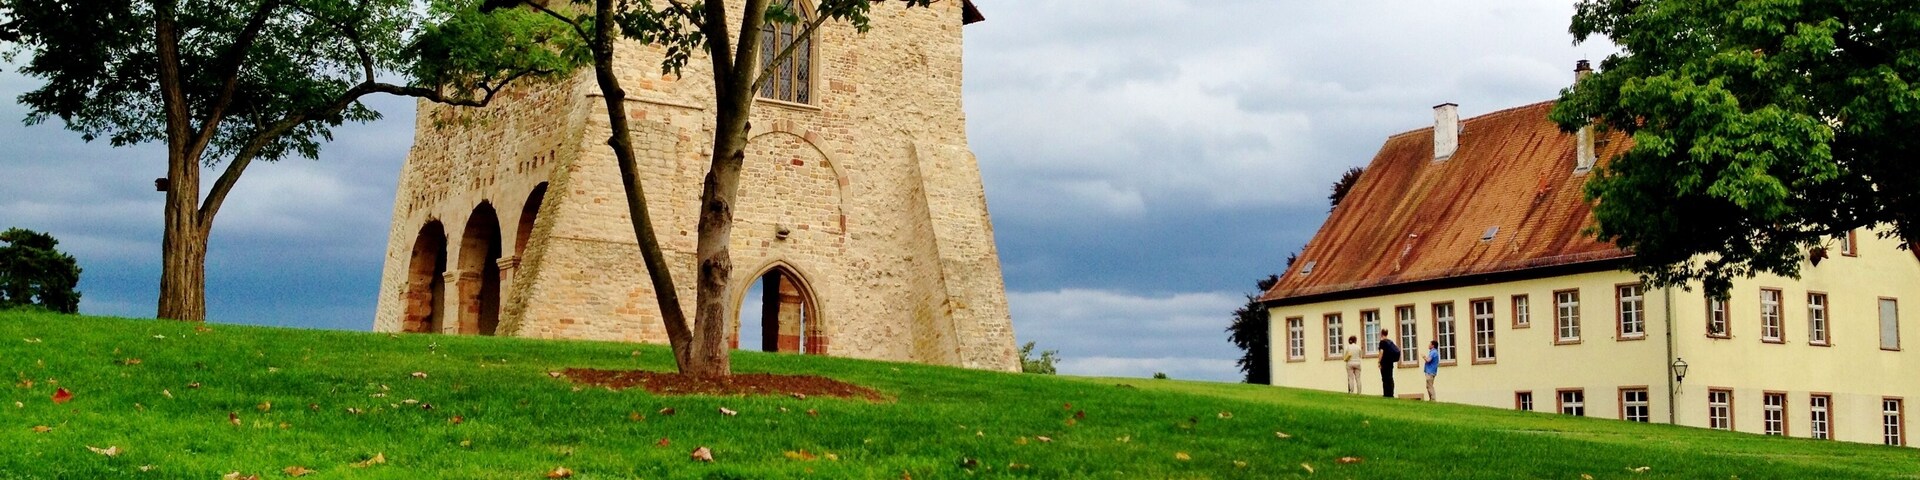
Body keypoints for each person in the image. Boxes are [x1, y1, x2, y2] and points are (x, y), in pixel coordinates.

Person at [1377, 329, 1399, 398]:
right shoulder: (1390, 342)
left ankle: (1386, 393)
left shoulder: (1382, 342)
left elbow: (1381, 352)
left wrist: (1379, 361)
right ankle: (1391, 393)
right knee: (1390, 377)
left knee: (1384, 378)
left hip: (1384, 362)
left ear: (1381, 334)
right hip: (1390, 362)